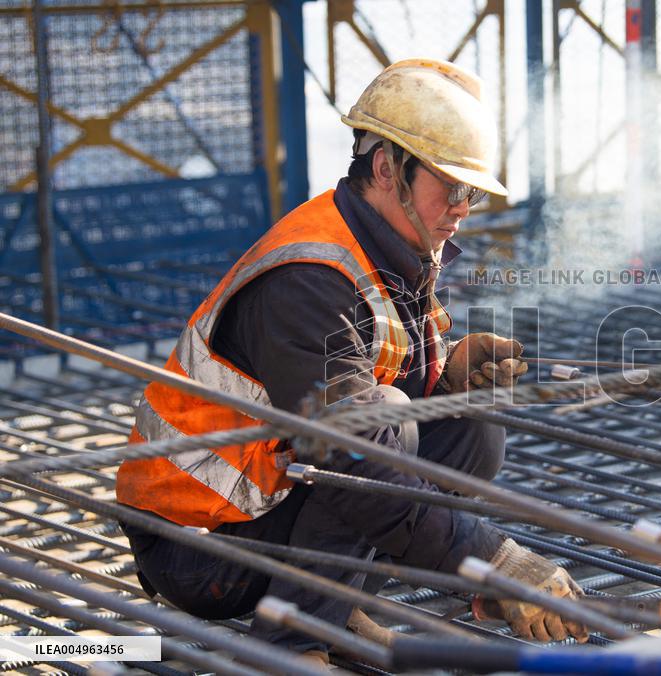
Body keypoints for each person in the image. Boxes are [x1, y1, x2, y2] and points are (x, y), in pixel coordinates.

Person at [115, 58, 588, 663]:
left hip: (271, 511)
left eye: (471, 191)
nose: (464, 205)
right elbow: (356, 461)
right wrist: (497, 561)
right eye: (452, 185)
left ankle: (337, 607)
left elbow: (384, 395)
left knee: (471, 429)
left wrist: (449, 377)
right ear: (388, 167)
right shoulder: (308, 278)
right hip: (199, 545)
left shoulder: (390, 247)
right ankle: (294, 645)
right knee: (373, 431)